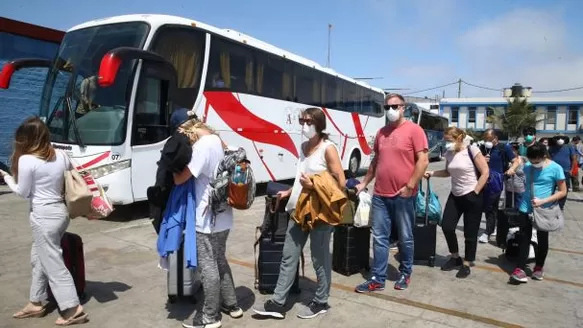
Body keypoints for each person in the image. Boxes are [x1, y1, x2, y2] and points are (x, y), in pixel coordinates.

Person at [252, 107, 345, 319]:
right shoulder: (303, 146)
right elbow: (300, 177)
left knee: (319, 259)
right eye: (302, 121)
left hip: (320, 212)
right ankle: (278, 302)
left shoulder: (328, 148)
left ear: (319, 124)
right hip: (299, 208)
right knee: (288, 255)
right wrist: (291, 191)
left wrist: (313, 184)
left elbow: (340, 183)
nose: (304, 125)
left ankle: (321, 300)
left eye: (309, 122)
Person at [0, 117, 88, 325]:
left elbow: (23, 192)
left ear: (26, 138)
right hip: (61, 213)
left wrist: (6, 178)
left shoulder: (27, 160)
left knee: (53, 263)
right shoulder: (61, 154)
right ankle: (35, 302)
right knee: (39, 257)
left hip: (44, 216)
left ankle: (72, 308)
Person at [354, 93, 429, 292]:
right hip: (380, 195)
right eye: (387, 107)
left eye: (395, 106)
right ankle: (378, 278)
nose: (390, 111)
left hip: (404, 196)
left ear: (403, 107)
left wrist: (410, 186)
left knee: (405, 237)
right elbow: (375, 161)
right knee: (379, 238)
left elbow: (423, 161)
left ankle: (405, 273)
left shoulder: (415, 130)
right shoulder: (381, 133)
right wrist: (364, 183)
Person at [172, 118, 242, 328]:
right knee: (219, 259)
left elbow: (183, 177)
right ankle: (231, 304)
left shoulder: (202, 146)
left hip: (206, 218)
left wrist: (174, 172)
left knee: (208, 266)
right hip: (224, 215)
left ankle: (209, 317)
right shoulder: (220, 141)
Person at [424, 127, 489, 278]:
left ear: (459, 138)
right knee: (447, 226)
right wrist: (431, 173)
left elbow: (485, 172)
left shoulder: (472, 150)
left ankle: (467, 263)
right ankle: (455, 257)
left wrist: (476, 191)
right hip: (455, 195)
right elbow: (447, 172)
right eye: (445, 140)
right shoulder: (449, 153)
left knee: (470, 233)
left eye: (449, 140)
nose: (446, 143)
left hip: (472, 195)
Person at [510, 143, 567, 283]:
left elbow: (563, 191)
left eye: (537, 161)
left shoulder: (556, 168)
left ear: (544, 156)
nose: (534, 163)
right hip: (525, 207)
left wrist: (543, 201)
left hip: (544, 210)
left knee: (542, 239)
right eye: (531, 160)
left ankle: (539, 267)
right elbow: (517, 162)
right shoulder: (528, 166)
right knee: (524, 237)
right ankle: (520, 269)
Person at [478, 129, 520, 244]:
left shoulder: (503, 148)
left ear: (495, 138)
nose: (488, 142)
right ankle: (492, 227)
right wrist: (482, 160)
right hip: (484, 181)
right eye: (486, 139)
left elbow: (516, 161)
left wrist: (512, 169)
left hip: (498, 181)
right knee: (488, 207)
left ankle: (488, 231)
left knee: (492, 207)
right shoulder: (482, 148)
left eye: (490, 139)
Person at [548, 135, 576, 210]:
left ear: (565, 139)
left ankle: (560, 206)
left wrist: (571, 170)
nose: (560, 139)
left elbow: (573, 158)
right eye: (558, 138)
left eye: (562, 138)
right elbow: (548, 157)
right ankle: (549, 203)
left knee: (564, 189)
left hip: (565, 171)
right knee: (551, 188)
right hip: (552, 171)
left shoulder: (569, 146)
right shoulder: (552, 147)